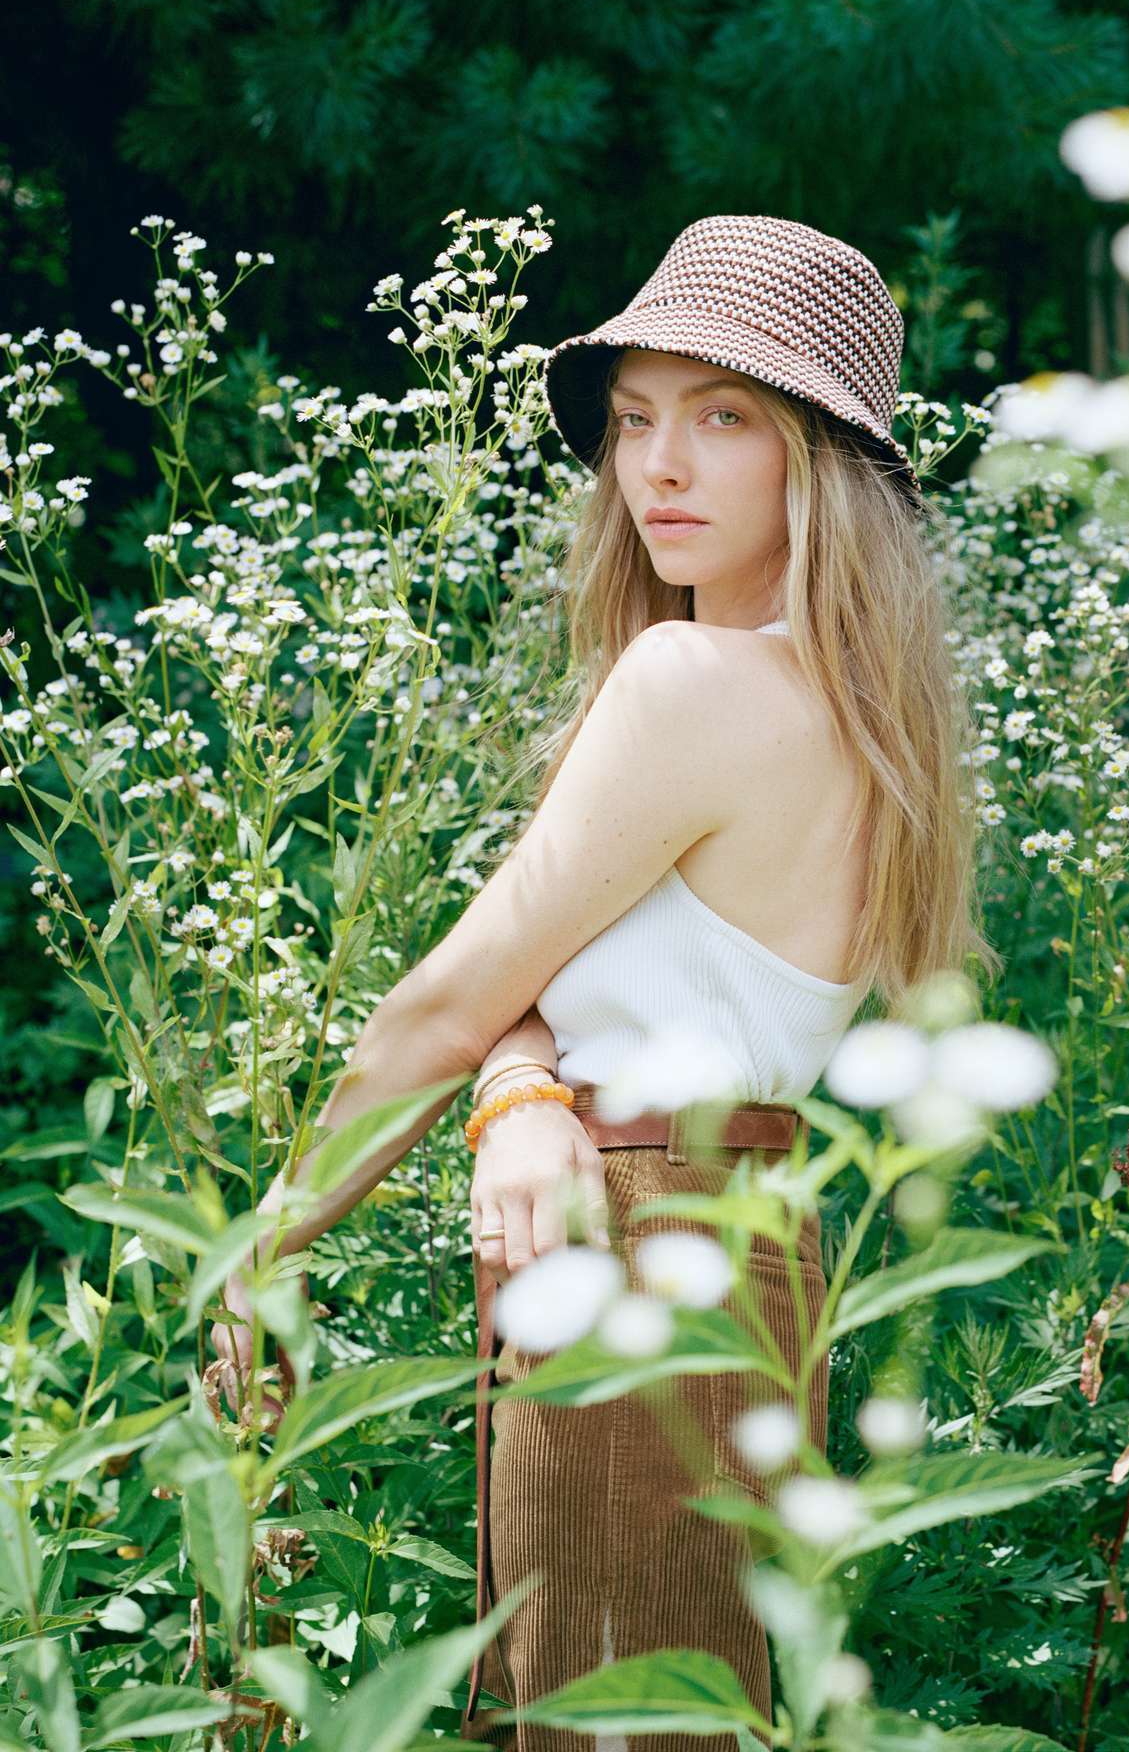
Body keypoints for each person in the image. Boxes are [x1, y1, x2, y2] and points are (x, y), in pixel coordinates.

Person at [210, 213, 996, 1751]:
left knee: (602, 1716)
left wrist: (258, 1257)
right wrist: (521, 1094)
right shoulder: (857, 714)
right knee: (658, 1703)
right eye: (635, 419)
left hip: (638, 1241)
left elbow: (447, 1000)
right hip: (739, 1242)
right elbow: (536, 992)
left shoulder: (695, 683)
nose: (661, 467)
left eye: (724, 419)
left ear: (822, 464)